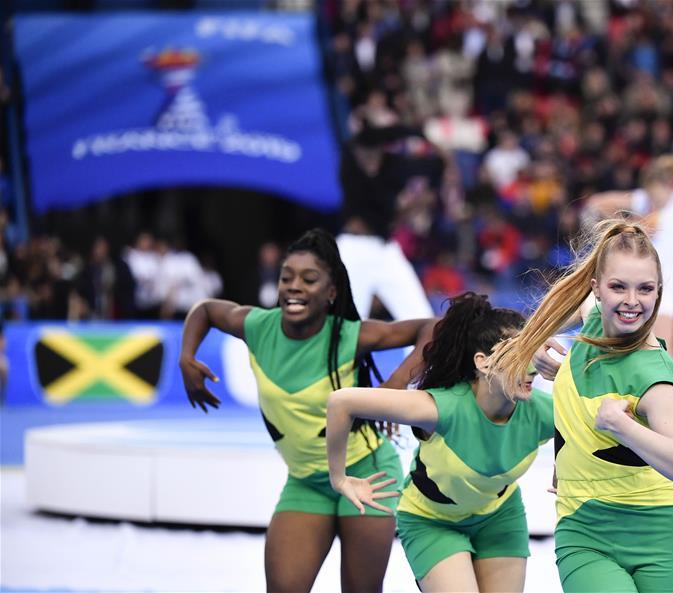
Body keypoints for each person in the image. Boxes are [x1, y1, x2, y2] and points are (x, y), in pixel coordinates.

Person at [179, 228, 435, 593]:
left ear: (331, 293)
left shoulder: (348, 336)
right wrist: (186, 357)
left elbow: (433, 327)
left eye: (309, 279)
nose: (294, 286)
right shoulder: (257, 326)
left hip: (368, 475)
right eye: (287, 278)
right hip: (306, 482)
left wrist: (394, 387)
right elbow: (205, 310)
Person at [489, 219, 673, 593]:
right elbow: (567, 304)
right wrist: (539, 349)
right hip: (582, 530)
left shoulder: (655, 376)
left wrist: (626, 427)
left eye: (645, 289)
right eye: (618, 287)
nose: (632, 301)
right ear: (597, 288)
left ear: (659, 293)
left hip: (661, 534)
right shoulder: (595, 320)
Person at [326, 292, 554, 593]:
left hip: (500, 517)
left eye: (531, 351)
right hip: (431, 520)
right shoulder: (441, 407)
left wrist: (561, 460)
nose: (530, 366)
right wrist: (339, 478)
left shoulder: (542, 409)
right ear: (482, 363)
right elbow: (341, 402)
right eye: (517, 354)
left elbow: (596, 420)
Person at [585, 151, 673, 353]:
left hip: (668, 288)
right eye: (650, 194)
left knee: (664, 351)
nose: (653, 200)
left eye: (657, 195)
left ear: (670, 187)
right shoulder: (641, 200)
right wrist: (630, 224)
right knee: (629, 347)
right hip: (637, 285)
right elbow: (596, 202)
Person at [337, 118, 444, 321]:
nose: (369, 159)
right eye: (364, 152)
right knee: (345, 323)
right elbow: (367, 138)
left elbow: (437, 165)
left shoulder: (392, 166)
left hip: (385, 248)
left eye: (374, 152)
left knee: (420, 318)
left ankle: (422, 353)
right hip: (352, 248)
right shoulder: (349, 165)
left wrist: (424, 137)